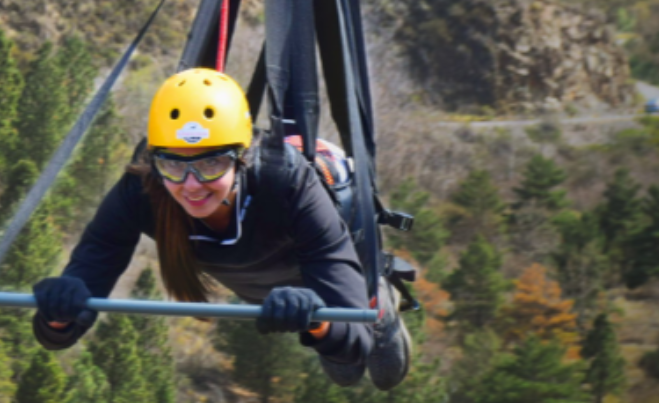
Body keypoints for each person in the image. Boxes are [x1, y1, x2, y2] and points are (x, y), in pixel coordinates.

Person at [31, 68, 411, 389]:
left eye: (211, 164)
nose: (192, 184)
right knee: (343, 375)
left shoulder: (287, 184)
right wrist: (59, 312)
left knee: (352, 360)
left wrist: (318, 320)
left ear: (242, 159)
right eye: (174, 164)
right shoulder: (142, 189)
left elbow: (354, 340)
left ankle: (376, 294)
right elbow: (60, 329)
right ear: (155, 159)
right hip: (262, 284)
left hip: (334, 258)